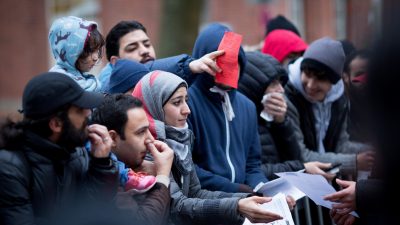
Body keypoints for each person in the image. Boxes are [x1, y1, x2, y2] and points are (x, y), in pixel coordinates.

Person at [132, 70, 291, 225]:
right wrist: (237, 206)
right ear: (155, 104)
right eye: (176, 102)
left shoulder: (180, 139)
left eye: (186, 100)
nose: (187, 110)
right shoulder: (147, 149)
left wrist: (251, 199)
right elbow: (177, 206)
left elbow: (196, 192)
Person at [0, 72, 119, 225]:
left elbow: (97, 210)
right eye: (79, 110)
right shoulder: (9, 167)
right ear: (56, 124)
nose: (88, 113)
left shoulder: (74, 152)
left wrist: (101, 164)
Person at [187, 23, 267, 193]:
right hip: (205, 204)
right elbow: (187, 167)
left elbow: (252, 165)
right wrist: (235, 190)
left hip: (245, 205)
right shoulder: (186, 102)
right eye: (220, 60)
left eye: (234, 61)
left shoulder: (247, 107)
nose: (228, 68)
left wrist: (264, 189)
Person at [285, 37, 374, 178]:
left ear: (334, 83)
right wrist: (354, 162)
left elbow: (341, 145)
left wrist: (373, 151)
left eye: (320, 79)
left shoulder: (338, 100)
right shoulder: (289, 99)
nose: (310, 85)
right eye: (307, 74)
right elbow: (302, 156)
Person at [238, 51, 334, 180]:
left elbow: (294, 157)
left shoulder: (270, 117)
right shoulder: (240, 121)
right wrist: (301, 168)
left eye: (280, 82)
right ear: (254, 87)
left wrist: (281, 123)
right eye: (273, 83)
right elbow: (250, 171)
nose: (281, 90)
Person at [91, 94, 175, 225]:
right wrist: (162, 175)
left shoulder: (132, 168)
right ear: (112, 138)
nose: (150, 140)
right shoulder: (103, 177)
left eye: (148, 130)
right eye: (140, 132)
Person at [99, 20, 223, 91]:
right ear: (115, 62)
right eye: (132, 48)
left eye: (147, 44)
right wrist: (188, 66)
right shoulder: (105, 89)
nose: (144, 51)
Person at [48, 16, 104, 91]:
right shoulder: (57, 84)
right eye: (89, 51)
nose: (96, 58)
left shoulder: (89, 81)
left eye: (97, 50)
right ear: (70, 50)